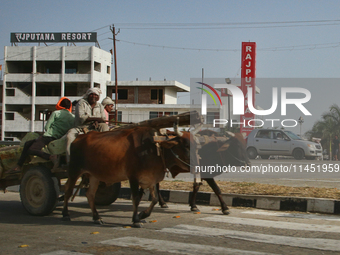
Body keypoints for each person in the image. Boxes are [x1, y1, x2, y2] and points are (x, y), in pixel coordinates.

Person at [7, 97, 75, 174]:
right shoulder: (73, 117)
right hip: (59, 138)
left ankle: (50, 157)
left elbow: (46, 127)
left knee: (31, 149)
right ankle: (18, 166)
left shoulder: (56, 113)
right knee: (27, 144)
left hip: (49, 137)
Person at [65, 87, 109, 163]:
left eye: (96, 95)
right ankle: (70, 161)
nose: (93, 96)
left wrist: (97, 122)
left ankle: (105, 154)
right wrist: (95, 119)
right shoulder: (81, 103)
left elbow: (103, 119)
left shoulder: (100, 106)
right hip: (80, 128)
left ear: (98, 97)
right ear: (88, 95)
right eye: (91, 94)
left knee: (105, 127)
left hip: (94, 128)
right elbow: (81, 117)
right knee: (69, 137)